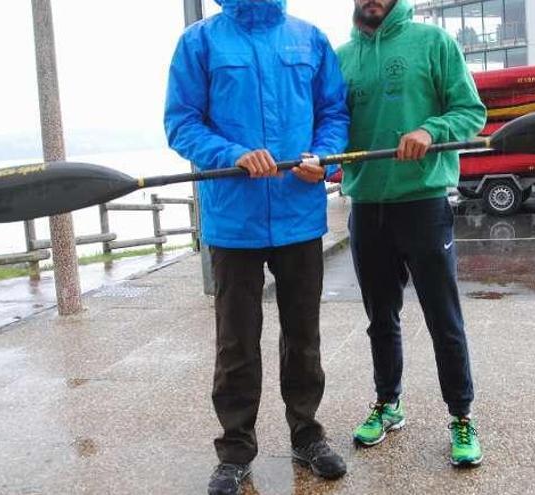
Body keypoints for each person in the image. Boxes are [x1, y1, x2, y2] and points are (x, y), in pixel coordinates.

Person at [164, 1, 350, 493]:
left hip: (299, 215)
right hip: (232, 220)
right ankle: (234, 450)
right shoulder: (199, 41)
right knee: (236, 343)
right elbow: (181, 122)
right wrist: (231, 154)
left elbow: (333, 112)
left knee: (303, 337)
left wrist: (324, 158)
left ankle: (307, 436)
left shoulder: (309, 38)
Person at [336, 0, 487, 467]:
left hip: (423, 203)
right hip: (367, 206)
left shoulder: (434, 43)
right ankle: (388, 404)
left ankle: (461, 415)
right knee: (381, 318)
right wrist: (315, 155)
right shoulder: (342, 57)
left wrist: (430, 128)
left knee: (444, 319)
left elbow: (470, 112)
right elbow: (332, 126)